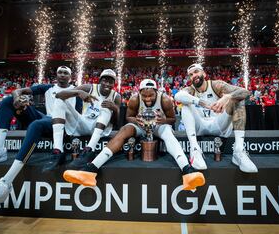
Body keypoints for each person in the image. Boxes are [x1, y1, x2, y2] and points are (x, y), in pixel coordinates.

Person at [62, 79, 205, 191]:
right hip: (141, 125)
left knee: (168, 132)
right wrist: (136, 120)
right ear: (140, 92)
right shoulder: (135, 99)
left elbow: (172, 119)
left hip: (159, 125)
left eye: (151, 95)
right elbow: (128, 117)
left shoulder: (165, 100)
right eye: (145, 95)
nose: (148, 99)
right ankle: (90, 170)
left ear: (156, 91)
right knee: (124, 130)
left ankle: (188, 171)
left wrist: (164, 120)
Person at [0, 66, 76, 204]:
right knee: (8, 100)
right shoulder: (48, 87)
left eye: (66, 73)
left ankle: (5, 183)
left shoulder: (76, 91)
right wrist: (17, 98)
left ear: (70, 77)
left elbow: (76, 119)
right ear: (56, 75)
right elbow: (18, 90)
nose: (62, 75)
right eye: (60, 72)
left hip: (63, 126)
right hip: (46, 119)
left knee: (36, 125)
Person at [174, 63, 257, 173]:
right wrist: (204, 104)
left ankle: (239, 151)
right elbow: (177, 96)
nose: (194, 75)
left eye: (196, 72)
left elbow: (246, 92)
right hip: (200, 126)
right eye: (191, 74)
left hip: (218, 125)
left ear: (203, 73)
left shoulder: (216, 85)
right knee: (185, 104)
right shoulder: (190, 90)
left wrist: (228, 96)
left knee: (238, 99)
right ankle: (195, 150)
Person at [42, 69, 121, 172]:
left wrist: (115, 109)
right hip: (83, 124)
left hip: (99, 130)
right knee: (59, 101)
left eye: (110, 82)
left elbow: (116, 123)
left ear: (114, 84)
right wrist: (78, 92)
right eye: (104, 80)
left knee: (106, 106)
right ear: (100, 81)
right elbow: (59, 95)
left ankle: (89, 150)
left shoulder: (116, 96)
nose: (107, 84)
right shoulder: (89, 87)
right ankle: (58, 151)